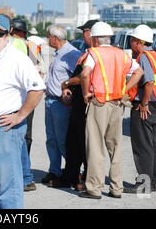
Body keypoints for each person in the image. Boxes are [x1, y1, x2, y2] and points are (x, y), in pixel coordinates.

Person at [0, 14, 45, 209]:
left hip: (2, 129)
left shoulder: (17, 59)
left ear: (9, 34)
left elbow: (37, 88)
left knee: (8, 188)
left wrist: (20, 115)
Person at [79, 21, 143, 199]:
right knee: (115, 147)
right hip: (117, 104)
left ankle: (94, 188)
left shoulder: (94, 53)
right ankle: (116, 188)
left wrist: (85, 94)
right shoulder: (121, 54)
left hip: (99, 102)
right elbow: (139, 72)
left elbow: (85, 74)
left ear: (95, 39)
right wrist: (124, 90)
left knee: (95, 146)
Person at [48, 19, 98, 190]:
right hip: (79, 102)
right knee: (73, 142)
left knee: (84, 143)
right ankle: (71, 177)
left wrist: (67, 83)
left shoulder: (93, 53)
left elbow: (85, 76)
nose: (83, 34)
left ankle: (86, 179)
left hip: (88, 103)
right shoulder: (87, 52)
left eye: (85, 31)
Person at [125, 25, 156, 194]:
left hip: (146, 106)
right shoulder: (155, 55)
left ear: (139, 42)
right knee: (152, 146)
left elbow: (149, 82)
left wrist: (143, 104)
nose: (130, 44)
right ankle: (151, 183)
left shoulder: (143, 57)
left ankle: (144, 185)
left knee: (142, 147)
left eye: (132, 40)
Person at [42, 25, 81, 185]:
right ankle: (55, 171)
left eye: (48, 37)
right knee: (51, 140)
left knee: (63, 140)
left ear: (55, 38)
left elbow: (79, 77)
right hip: (51, 101)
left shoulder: (71, 54)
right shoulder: (59, 54)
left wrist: (68, 89)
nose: (47, 39)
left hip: (61, 103)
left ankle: (73, 171)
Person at [11, 17, 47, 192]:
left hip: (18, 98)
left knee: (19, 137)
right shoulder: (29, 47)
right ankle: (24, 175)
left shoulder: (14, 45)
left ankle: (23, 176)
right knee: (24, 136)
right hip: (28, 97)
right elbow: (40, 69)